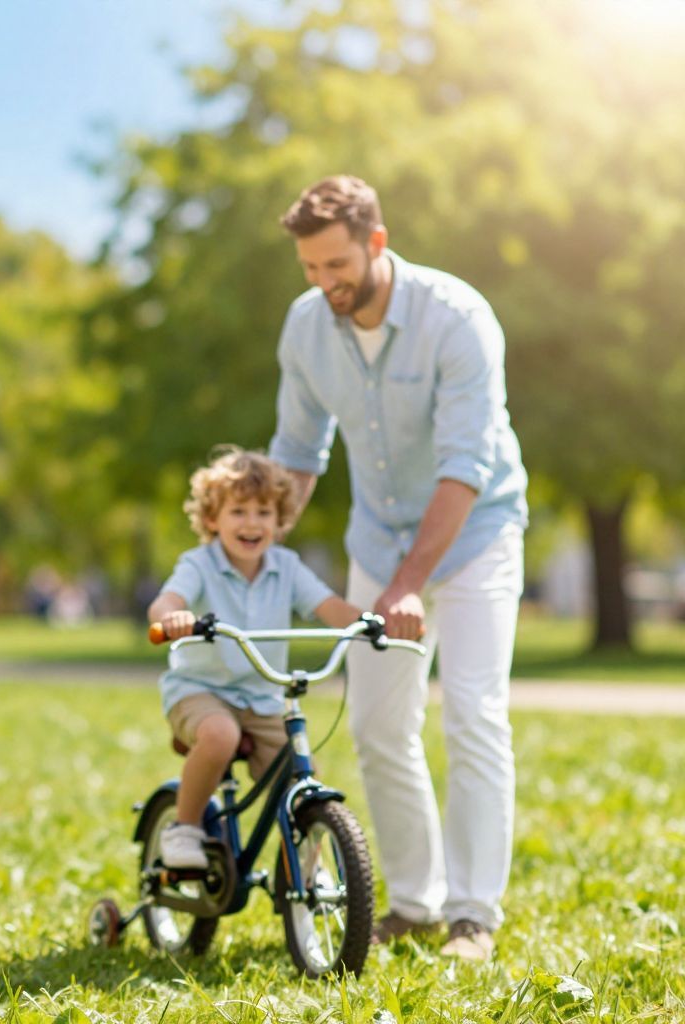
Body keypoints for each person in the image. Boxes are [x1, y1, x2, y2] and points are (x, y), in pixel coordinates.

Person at [269, 175, 528, 961]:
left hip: (476, 531)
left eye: (337, 265)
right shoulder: (308, 326)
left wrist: (411, 583)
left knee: (474, 713)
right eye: (311, 269)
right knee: (381, 725)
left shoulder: (458, 319)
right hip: (379, 540)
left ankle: (473, 915)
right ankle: (414, 902)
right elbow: (297, 453)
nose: (325, 284)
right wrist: (254, 546)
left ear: (376, 243)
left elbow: (465, 468)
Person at [147, 448, 364, 868]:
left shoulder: (286, 566)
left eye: (264, 512)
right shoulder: (199, 563)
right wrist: (171, 617)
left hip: (262, 699)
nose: (252, 523)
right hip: (200, 691)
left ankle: (303, 868)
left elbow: (328, 606)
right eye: (238, 511)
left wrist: (371, 622)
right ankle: (185, 828)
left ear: (279, 521)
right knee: (220, 735)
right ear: (212, 519)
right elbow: (167, 601)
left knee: (301, 771)